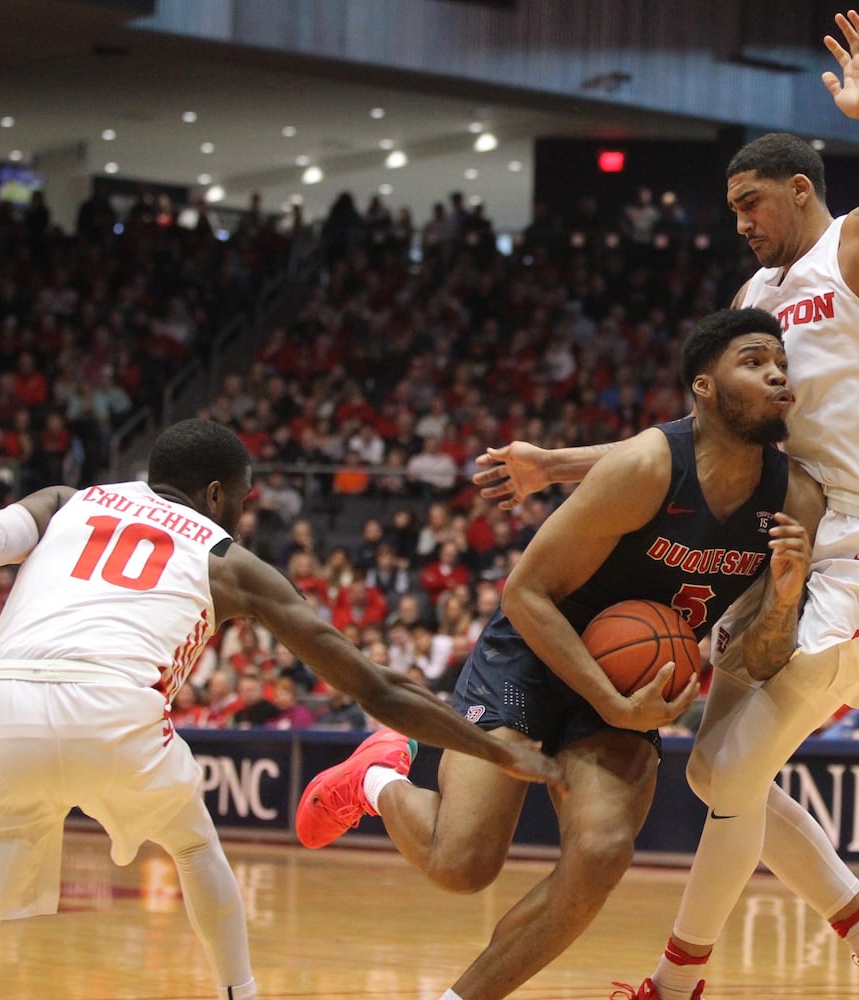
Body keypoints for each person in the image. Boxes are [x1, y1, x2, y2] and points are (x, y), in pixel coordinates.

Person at [473, 11, 859, 1000]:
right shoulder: (754, 293)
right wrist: (564, 464)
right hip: (781, 543)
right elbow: (704, 438)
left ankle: (691, 983)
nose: (742, 221)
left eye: (752, 201)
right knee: (719, 768)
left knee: (728, 774)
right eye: (731, 209)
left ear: (801, 188)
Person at [0, 418, 563, 1000]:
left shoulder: (70, 500)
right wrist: (494, 748)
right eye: (241, 497)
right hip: (114, 706)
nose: (240, 512)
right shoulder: (229, 561)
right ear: (214, 494)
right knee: (194, 850)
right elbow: (377, 690)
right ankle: (240, 993)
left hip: (0, 703)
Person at [295, 308, 820, 1000]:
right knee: (461, 866)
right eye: (753, 362)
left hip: (629, 689)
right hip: (538, 658)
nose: (776, 373)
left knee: (601, 850)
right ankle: (378, 776)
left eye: (780, 363)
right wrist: (607, 697)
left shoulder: (796, 503)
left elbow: (758, 657)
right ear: (704, 387)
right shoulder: (645, 467)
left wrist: (784, 600)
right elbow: (525, 593)